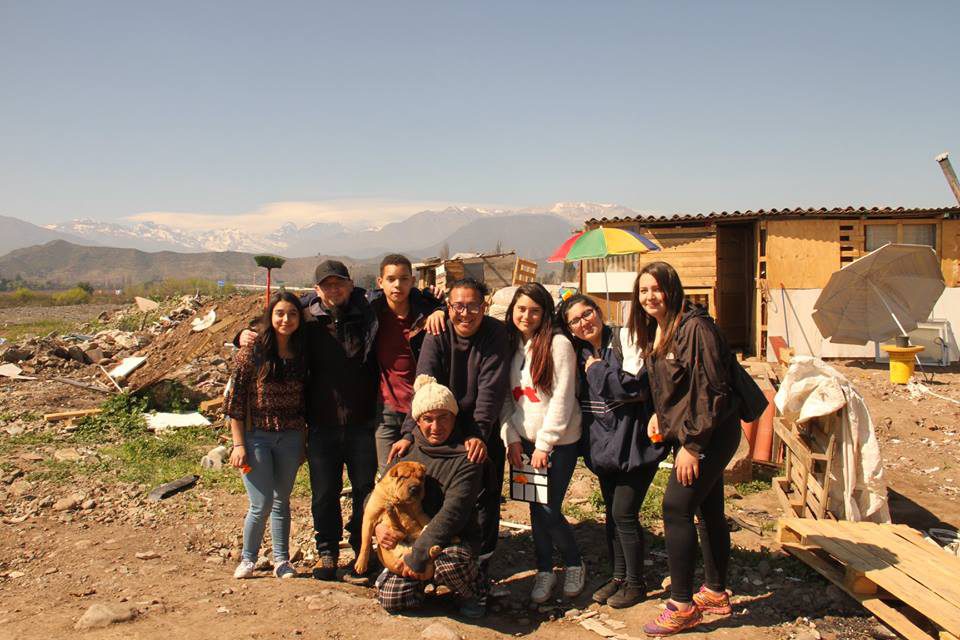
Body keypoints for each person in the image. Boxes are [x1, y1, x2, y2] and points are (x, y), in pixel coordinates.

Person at [240, 259, 378, 582]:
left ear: (350, 283)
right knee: (324, 492)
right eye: (327, 284)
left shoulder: (368, 313)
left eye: (339, 283)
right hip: (322, 423)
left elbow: (408, 304)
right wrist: (242, 333)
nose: (334, 289)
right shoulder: (307, 319)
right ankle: (327, 551)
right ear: (317, 290)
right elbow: (277, 322)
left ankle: (361, 551)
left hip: (362, 422)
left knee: (363, 490)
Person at [629, 262, 742, 636]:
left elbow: (712, 391)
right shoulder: (660, 330)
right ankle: (714, 591)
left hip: (711, 432)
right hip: (699, 430)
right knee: (708, 508)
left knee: (675, 506)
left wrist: (692, 446)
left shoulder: (696, 328)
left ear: (673, 290)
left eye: (657, 289)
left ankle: (682, 605)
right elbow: (672, 387)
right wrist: (660, 417)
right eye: (644, 290)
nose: (650, 297)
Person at [389, 277, 510, 574]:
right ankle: (435, 555)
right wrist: (408, 432)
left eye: (473, 306)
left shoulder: (496, 334)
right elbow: (425, 384)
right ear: (448, 306)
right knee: (436, 491)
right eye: (458, 306)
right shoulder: (438, 330)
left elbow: (490, 390)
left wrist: (478, 434)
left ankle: (481, 563)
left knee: (485, 495)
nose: (465, 313)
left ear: (485, 306)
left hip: (481, 427)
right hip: (438, 423)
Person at [558, 294, 665, 609]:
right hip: (603, 448)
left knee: (624, 514)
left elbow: (634, 388)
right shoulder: (579, 352)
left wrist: (597, 371)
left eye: (587, 313)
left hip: (635, 446)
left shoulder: (626, 340)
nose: (584, 322)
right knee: (612, 516)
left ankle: (636, 584)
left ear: (598, 310)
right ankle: (618, 577)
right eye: (575, 320)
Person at [375, 375, 487, 618]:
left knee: (450, 563)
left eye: (443, 417)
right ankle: (421, 588)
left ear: (454, 417)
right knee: (392, 599)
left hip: (451, 540)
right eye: (428, 419)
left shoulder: (467, 457)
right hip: (409, 539)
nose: (436, 427)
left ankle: (474, 591)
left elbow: (453, 515)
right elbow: (377, 495)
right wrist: (378, 527)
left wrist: (417, 557)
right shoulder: (404, 451)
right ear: (417, 420)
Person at [500, 283, 584, 603]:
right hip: (523, 441)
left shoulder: (558, 344)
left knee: (549, 507)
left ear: (545, 312)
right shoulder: (510, 345)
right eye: (521, 309)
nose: (527, 315)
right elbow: (506, 399)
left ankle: (574, 562)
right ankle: (545, 569)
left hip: (558, 442)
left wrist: (544, 444)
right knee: (535, 508)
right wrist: (511, 439)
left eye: (535, 310)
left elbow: (563, 398)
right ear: (513, 311)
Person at [224, 291, 307, 580]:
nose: (286, 319)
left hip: (291, 436)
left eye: (293, 314)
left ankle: (282, 560)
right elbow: (235, 401)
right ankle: (249, 558)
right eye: (280, 313)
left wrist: (304, 442)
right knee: (261, 503)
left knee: (282, 499)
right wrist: (238, 444)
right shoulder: (253, 352)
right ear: (270, 317)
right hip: (256, 437)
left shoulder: (302, 352)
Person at [369, 254, 445, 474]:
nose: (397, 285)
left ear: (412, 281)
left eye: (403, 279)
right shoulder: (372, 313)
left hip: (423, 408)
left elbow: (453, 310)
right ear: (379, 282)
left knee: (425, 475)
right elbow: (330, 299)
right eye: (391, 279)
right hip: (386, 410)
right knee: (389, 476)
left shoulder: (427, 313)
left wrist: (441, 308)